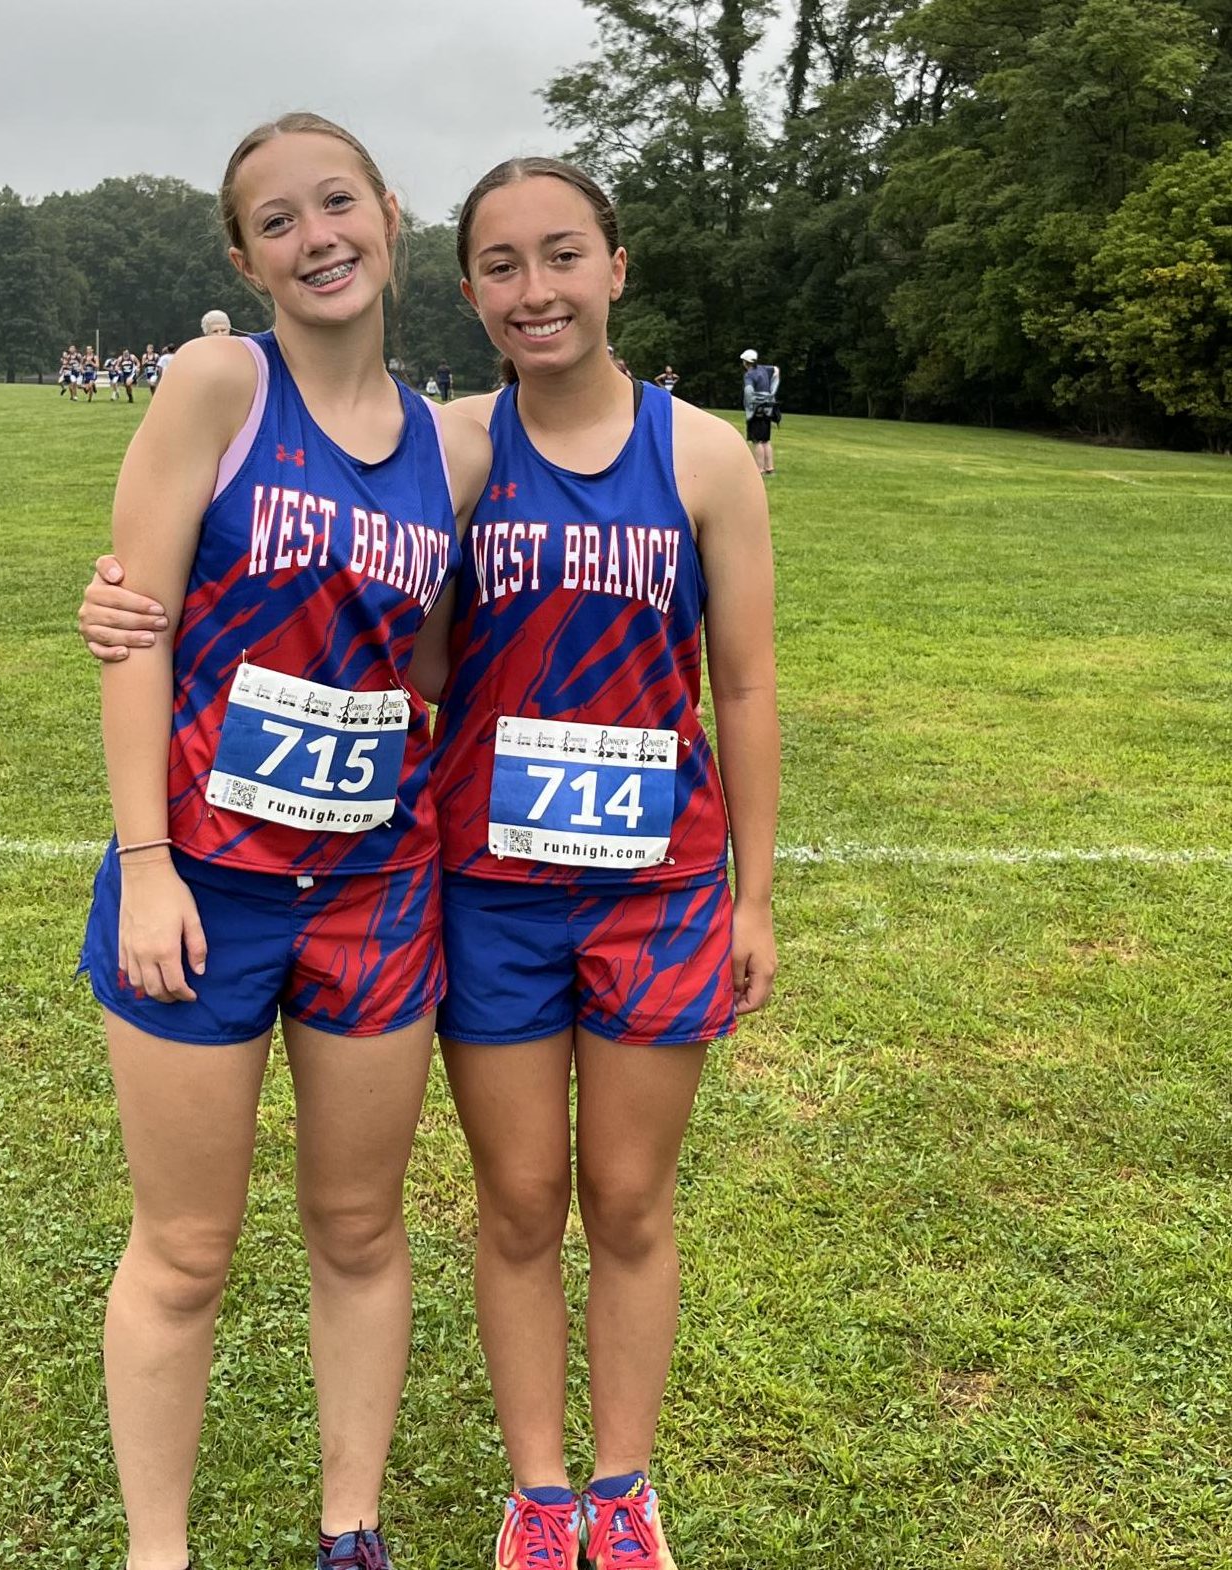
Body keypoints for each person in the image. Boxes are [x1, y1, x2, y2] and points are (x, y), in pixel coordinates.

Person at [81, 153, 778, 1570]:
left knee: (524, 1208)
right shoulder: (360, 421)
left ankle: (546, 1500)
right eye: (506, 265)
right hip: (347, 885)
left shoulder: (585, 451)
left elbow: (701, 680)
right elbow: (251, 605)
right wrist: (123, 613)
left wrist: (749, 890)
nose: (537, 289)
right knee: (392, 1217)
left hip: (511, 886)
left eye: (566, 254)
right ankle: (481, 1500)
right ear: (461, 283)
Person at [75, 111, 487, 1570]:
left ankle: (351, 1528)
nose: (318, 236)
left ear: (387, 210)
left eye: (337, 202)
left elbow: (429, 669)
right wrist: (141, 863)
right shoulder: (213, 385)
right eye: (277, 220)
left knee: (360, 1228)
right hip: (200, 888)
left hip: (374, 897)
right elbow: (139, 627)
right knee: (185, 1247)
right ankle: (158, 1550)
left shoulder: (453, 447)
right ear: (246, 260)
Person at [740, 348, 780, 476]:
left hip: (757, 410)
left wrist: (751, 405)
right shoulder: (764, 369)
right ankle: (770, 468)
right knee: (766, 440)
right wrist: (772, 391)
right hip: (768, 408)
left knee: (757, 440)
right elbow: (776, 371)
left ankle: (760, 470)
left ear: (746, 362)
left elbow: (749, 393)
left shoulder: (749, 375)